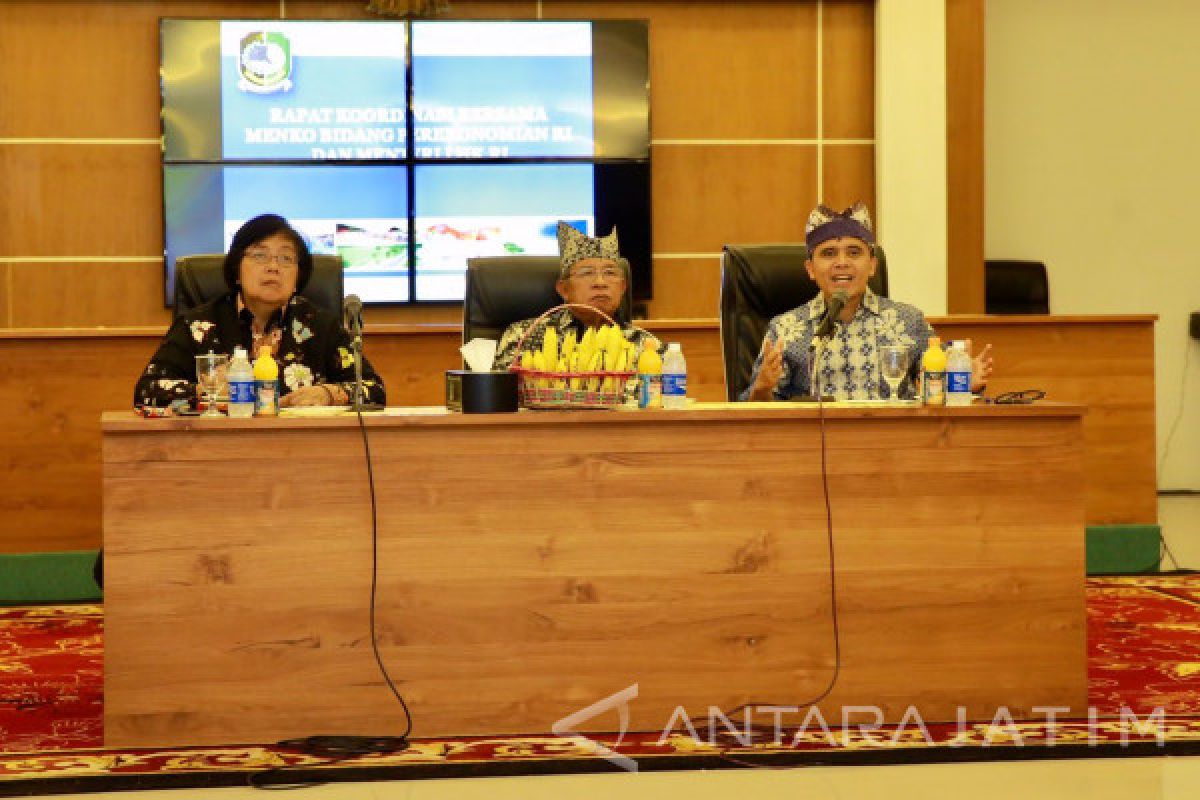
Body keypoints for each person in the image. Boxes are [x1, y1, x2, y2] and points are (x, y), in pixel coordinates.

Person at [742, 202, 993, 401]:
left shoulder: (907, 321)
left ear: (872, 265)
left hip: (895, 451)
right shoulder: (786, 329)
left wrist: (961, 384)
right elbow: (755, 414)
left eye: (854, 252)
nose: (842, 262)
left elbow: (936, 388)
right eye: (829, 253)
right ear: (810, 269)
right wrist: (763, 388)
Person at [134, 214, 386, 409]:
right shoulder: (199, 325)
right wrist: (210, 392)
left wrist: (329, 394)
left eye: (286, 258)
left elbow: (374, 390)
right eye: (260, 256)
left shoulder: (321, 326)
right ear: (236, 271)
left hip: (305, 455)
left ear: (298, 277)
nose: (273, 267)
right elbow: (147, 391)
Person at [493, 221, 661, 369]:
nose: (600, 282)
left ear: (623, 287)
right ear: (563, 289)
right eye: (587, 273)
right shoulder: (524, 336)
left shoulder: (646, 345)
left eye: (610, 273)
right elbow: (502, 399)